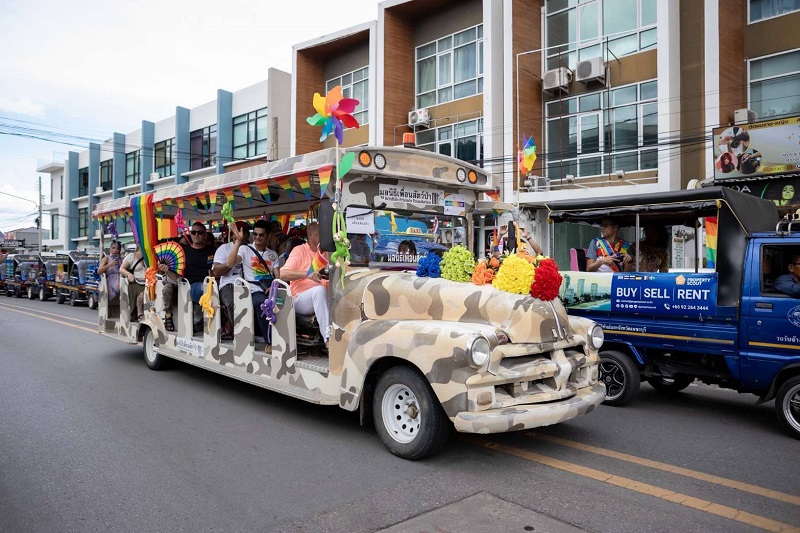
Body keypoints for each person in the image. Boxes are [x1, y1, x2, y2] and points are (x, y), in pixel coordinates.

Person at [226, 220, 279, 351]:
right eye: (255, 234)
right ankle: (270, 342)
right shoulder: (245, 249)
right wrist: (238, 242)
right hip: (254, 290)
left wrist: (273, 288)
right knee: (262, 304)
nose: (257, 237)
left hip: (271, 290)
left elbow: (278, 277)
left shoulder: (273, 254)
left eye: (261, 235)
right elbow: (229, 263)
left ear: (268, 236)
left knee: (286, 303)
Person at [279, 222, 330, 345]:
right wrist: (308, 274)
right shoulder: (299, 250)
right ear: (311, 235)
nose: (324, 236)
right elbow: (283, 274)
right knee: (319, 291)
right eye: (321, 233)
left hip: (327, 297)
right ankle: (328, 340)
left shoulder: (328, 253)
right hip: (300, 299)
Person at [160, 221, 215, 333]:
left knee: (209, 288)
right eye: (193, 232)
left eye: (200, 232)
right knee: (204, 288)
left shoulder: (213, 251)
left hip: (208, 284)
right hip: (187, 285)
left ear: (205, 235)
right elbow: (175, 275)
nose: (196, 235)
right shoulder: (183, 251)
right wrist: (166, 270)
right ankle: (170, 316)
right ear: (190, 234)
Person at [212, 221, 250, 339]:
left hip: (249, 284)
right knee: (234, 301)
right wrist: (230, 263)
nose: (238, 235)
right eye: (235, 232)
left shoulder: (251, 249)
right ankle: (241, 335)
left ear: (247, 235)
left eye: (242, 232)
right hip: (229, 284)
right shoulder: (224, 248)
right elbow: (216, 272)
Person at [120, 243, 146, 321]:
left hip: (149, 283)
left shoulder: (152, 256)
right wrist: (128, 274)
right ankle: (139, 314)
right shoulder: (132, 256)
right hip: (136, 283)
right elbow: (121, 269)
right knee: (141, 295)